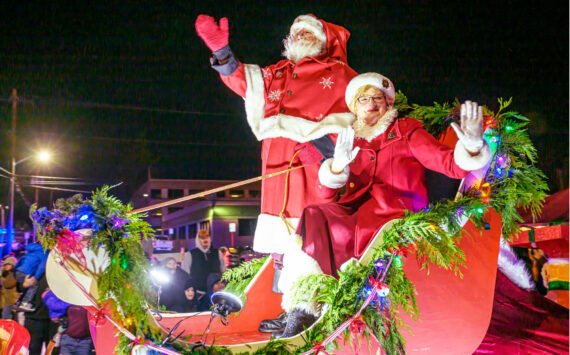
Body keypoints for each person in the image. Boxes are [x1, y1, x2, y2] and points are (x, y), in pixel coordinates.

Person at [278, 72, 492, 337]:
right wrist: (336, 166)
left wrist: (471, 147)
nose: (371, 104)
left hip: (394, 215)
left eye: (378, 98)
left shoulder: (406, 130)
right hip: (354, 212)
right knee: (314, 215)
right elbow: (326, 197)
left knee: (355, 231)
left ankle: (340, 311)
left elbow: (447, 163)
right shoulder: (348, 139)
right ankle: (302, 310)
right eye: (363, 99)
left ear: (389, 104)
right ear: (354, 107)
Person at [195, 13, 358, 332]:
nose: (299, 36)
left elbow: (358, 117)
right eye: (295, 32)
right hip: (276, 169)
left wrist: (323, 148)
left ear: (323, 41)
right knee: (283, 244)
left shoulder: (339, 75)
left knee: (307, 240)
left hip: (312, 169)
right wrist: (222, 51)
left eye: (307, 34)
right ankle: (292, 308)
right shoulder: (278, 73)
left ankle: (308, 310)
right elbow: (244, 82)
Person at [182, 231, 225, 304]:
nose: (205, 240)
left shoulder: (217, 253)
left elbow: (223, 271)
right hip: (199, 293)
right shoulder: (190, 254)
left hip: (215, 293)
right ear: (198, 240)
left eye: (207, 237)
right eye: (202, 238)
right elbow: (186, 275)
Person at [13, 242, 49, 312]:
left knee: (27, 286)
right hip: (26, 272)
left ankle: (19, 301)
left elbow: (21, 260)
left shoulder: (33, 252)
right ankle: (25, 302)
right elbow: (41, 267)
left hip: (18, 271)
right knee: (33, 284)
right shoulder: (44, 253)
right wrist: (36, 277)